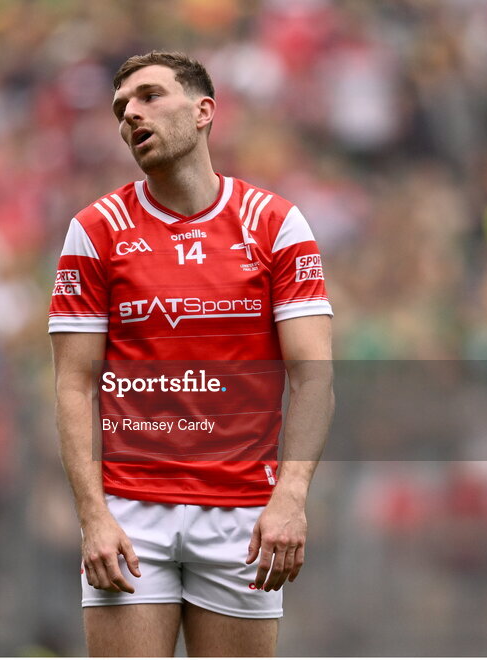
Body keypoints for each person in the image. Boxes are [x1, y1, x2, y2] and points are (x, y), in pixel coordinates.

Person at [49, 51, 334, 657]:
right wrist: (92, 515)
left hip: (242, 515)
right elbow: (74, 384)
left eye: (149, 96)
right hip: (129, 512)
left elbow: (313, 377)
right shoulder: (95, 229)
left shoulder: (275, 224)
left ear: (204, 111)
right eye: (121, 108)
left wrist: (290, 496)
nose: (130, 114)